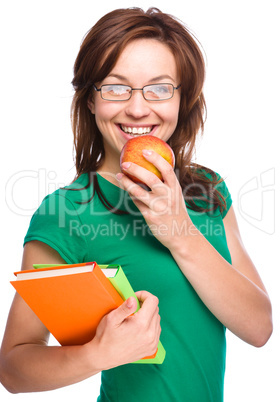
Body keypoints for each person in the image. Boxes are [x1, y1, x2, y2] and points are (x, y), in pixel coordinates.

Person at [0, 7, 273, 401]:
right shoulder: (68, 212)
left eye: (160, 88)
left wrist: (181, 233)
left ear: (183, 99)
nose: (139, 108)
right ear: (91, 100)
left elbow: (259, 328)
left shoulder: (207, 189)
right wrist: (98, 354)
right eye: (115, 87)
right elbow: (13, 367)